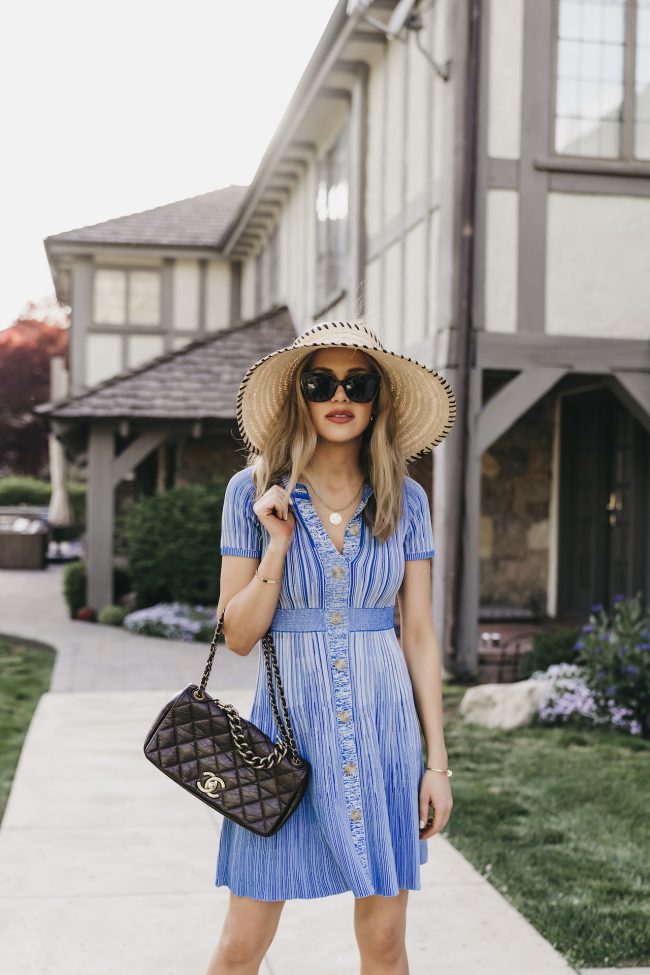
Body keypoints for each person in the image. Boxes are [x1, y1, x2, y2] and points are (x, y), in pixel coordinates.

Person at [205, 320, 457, 975]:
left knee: (384, 947)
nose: (338, 396)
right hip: (283, 745)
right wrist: (278, 546)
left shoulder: (408, 499)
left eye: (357, 382)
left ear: (378, 399)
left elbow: (421, 634)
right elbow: (236, 635)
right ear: (299, 396)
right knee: (240, 948)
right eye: (321, 382)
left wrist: (437, 762)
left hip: (383, 736)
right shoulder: (251, 492)